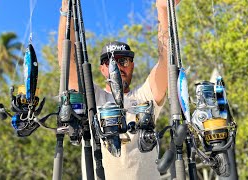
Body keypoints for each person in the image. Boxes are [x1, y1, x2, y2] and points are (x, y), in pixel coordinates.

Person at [58, 0, 181, 179]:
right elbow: (67, 61)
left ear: (132, 66)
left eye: (123, 61)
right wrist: (66, 9)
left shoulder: (145, 97)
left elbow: (166, 61)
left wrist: (162, 9)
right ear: (102, 69)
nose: (118, 66)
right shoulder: (92, 98)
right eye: (110, 62)